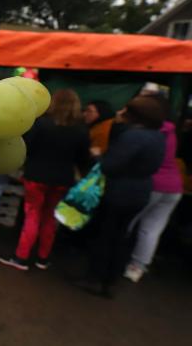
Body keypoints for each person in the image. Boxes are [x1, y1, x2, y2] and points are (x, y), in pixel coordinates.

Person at [74, 95, 166, 298]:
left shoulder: (132, 136)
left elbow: (110, 166)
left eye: (125, 110)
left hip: (119, 191)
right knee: (121, 236)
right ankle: (110, 281)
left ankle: (94, 278)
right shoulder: (159, 137)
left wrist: (97, 155)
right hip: (141, 191)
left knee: (105, 235)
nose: (120, 112)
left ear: (136, 115)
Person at [0, 89, 89, 271]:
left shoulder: (41, 124)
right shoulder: (80, 130)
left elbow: (27, 147)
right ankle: (43, 257)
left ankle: (21, 257)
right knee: (50, 218)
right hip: (62, 179)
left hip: (37, 176)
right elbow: (83, 159)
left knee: (32, 215)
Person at [124, 96, 183, 282]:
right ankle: (137, 267)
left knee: (128, 221)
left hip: (152, 184)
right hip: (174, 187)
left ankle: (116, 259)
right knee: (152, 229)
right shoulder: (171, 131)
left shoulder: (149, 132)